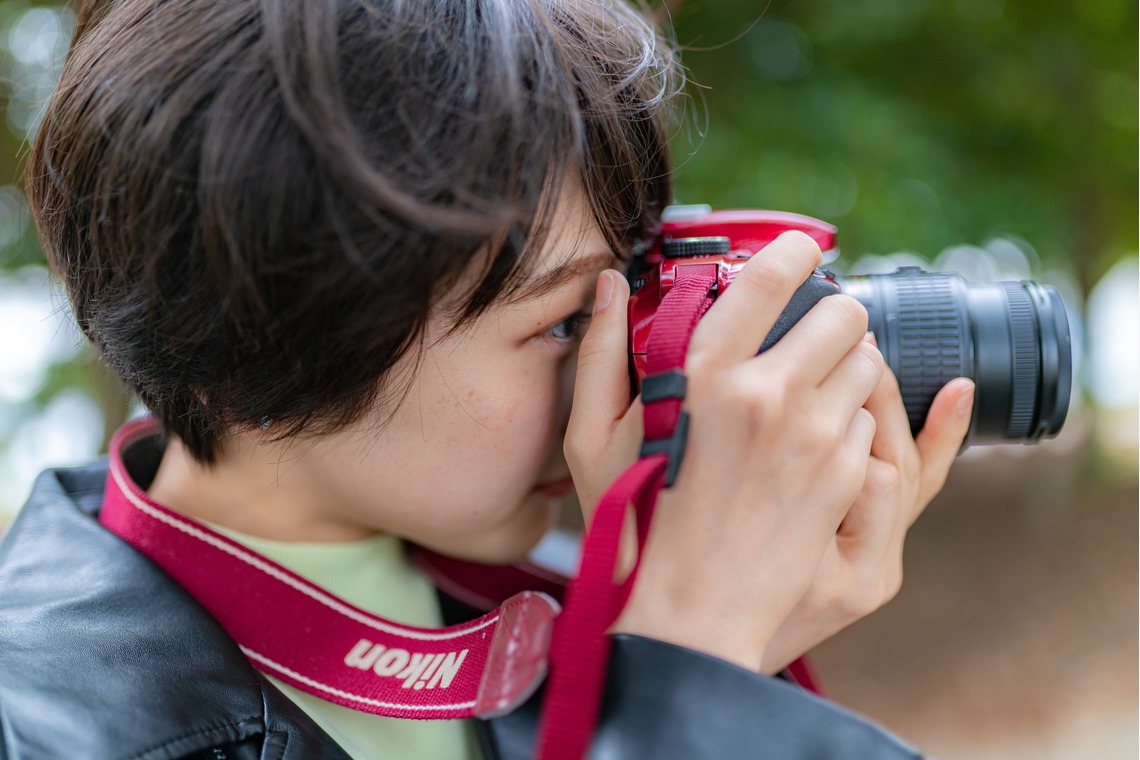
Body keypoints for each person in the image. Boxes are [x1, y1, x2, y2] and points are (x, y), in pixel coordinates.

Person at [0, 0, 975, 758]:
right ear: (253, 350)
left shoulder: (551, 604)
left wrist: (703, 660)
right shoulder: (43, 722)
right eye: (562, 323)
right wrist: (693, 670)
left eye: (627, 290)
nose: (628, 360)